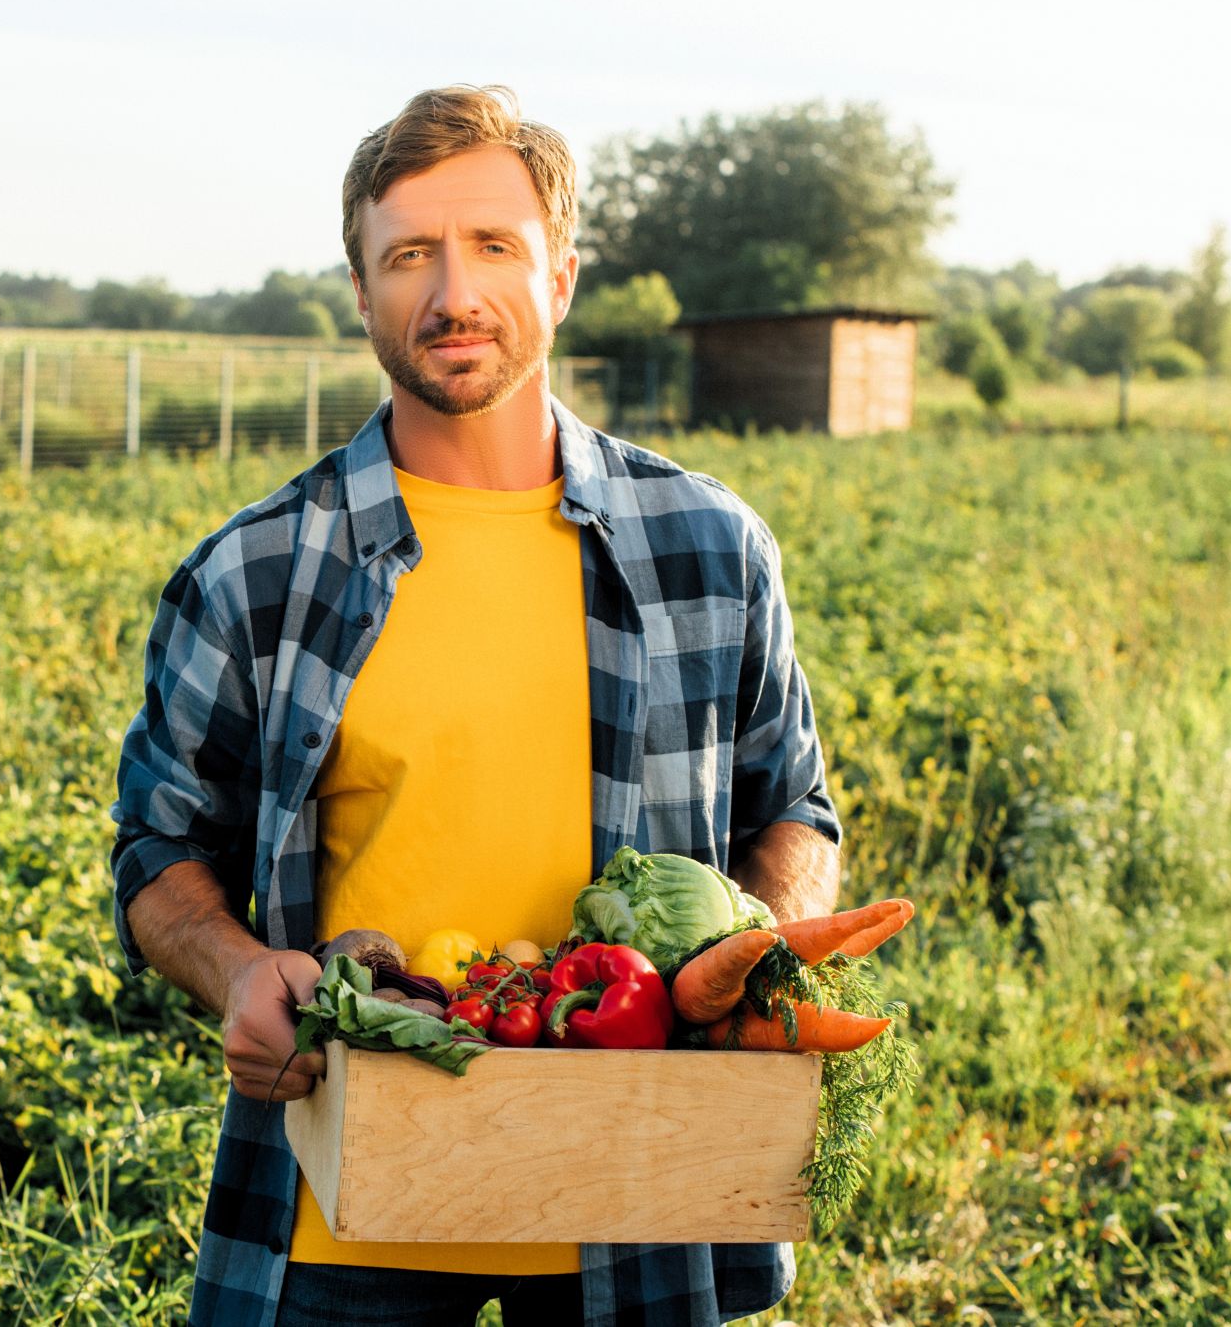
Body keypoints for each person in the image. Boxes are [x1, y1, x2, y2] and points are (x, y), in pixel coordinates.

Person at [109, 84, 841, 1327]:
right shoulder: (255, 570)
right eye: (409, 255)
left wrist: (756, 951)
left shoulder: (709, 545)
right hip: (351, 1197)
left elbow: (793, 806)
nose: (452, 293)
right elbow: (158, 849)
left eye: (494, 246)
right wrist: (235, 971)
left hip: (638, 1184)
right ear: (360, 292)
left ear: (560, 274)